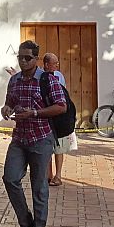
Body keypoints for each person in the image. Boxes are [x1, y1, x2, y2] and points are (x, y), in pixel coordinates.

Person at [1, 40, 67, 227]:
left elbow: (61, 106)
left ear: (36, 59)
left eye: (27, 58)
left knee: (39, 187)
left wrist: (35, 113)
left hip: (41, 138)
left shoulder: (47, 79)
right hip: (19, 138)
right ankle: (25, 222)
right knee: (10, 178)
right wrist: (6, 108)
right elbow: (10, 100)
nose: (22, 61)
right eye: (20, 57)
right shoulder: (15, 80)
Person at [42, 53, 76, 187]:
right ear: (46, 64)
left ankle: (58, 175)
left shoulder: (59, 76)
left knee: (59, 147)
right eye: (54, 63)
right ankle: (48, 175)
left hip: (59, 118)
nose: (57, 65)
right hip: (48, 116)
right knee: (48, 149)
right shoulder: (40, 77)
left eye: (57, 62)